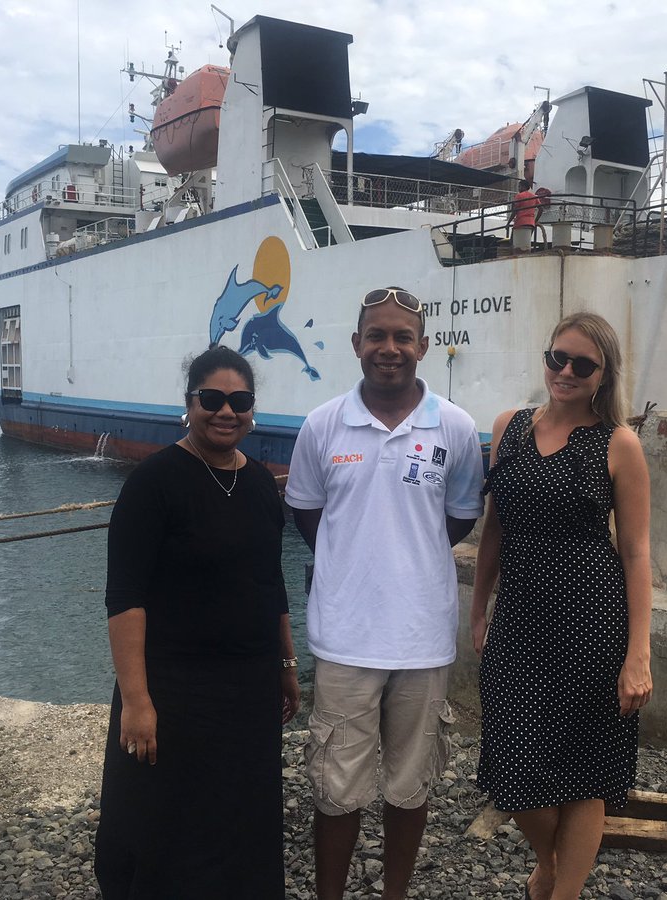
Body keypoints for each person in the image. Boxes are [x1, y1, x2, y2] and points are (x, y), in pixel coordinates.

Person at [284, 286, 484, 900]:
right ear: (356, 344)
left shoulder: (456, 427)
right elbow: (308, 514)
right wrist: (355, 561)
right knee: (335, 788)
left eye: (402, 337)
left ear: (424, 346)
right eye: (377, 335)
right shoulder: (322, 425)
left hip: (422, 640)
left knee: (410, 787)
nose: (389, 348)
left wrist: (406, 558)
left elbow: (459, 518)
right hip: (345, 640)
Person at [94, 346, 300, 899]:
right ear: (189, 404)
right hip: (175, 689)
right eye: (212, 399)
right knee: (164, 819)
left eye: (240, 400)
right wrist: (137, 701)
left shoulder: (260, 483)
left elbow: (271, 582)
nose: (226, 411)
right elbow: (125, 598)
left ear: (252, 409)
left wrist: (286, 664)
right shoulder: (153, 483)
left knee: (240, 816)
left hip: (247, 689)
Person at [471, 312, 653, 900]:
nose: (566, 371)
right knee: (514, 769)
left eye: (582, 364)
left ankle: (562, 889)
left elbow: (636, 553)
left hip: (592, 628)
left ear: (604, 375)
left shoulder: (619, 444)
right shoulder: (509, 427)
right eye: (558, 358)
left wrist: (639, 653)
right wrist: (478, 608)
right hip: (519, 623)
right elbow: (494, 527)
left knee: (585, 773)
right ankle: (548, 866)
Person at [509, 180, 541, 254]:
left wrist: (508, 223)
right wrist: (535, 221)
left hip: (520, 222)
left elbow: (514, 211)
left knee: (513, 241)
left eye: (519, 186)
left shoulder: (519, 196)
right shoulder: (534, 197)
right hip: (531, 223)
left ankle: (514, 256)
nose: (518, 188)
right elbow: (541, 209)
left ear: (523, 187)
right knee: (526, 241)